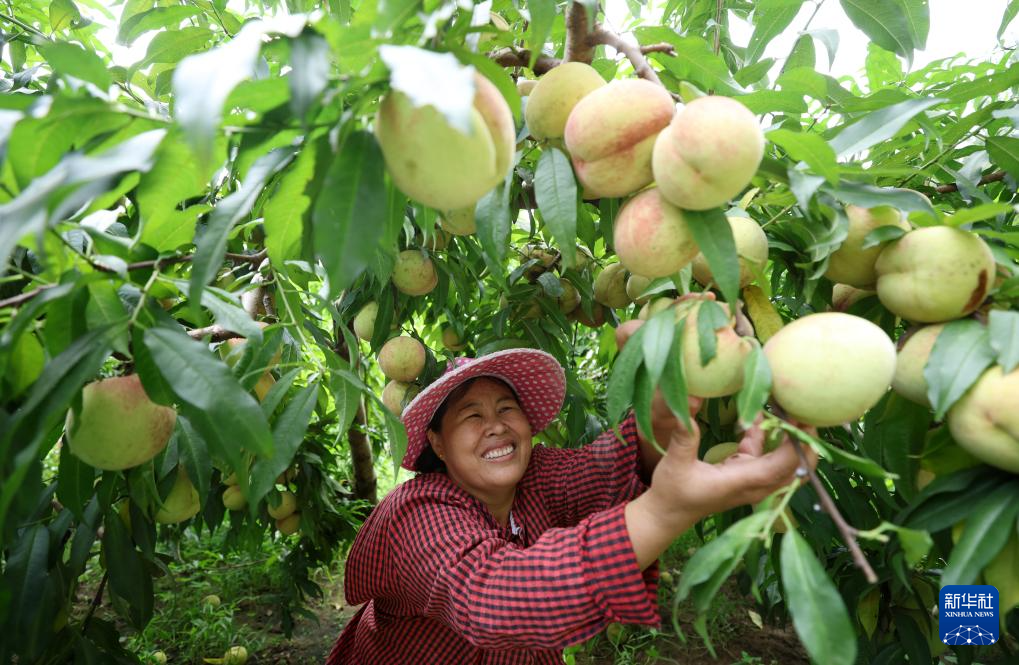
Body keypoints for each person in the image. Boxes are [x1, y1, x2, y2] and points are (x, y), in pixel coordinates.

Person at [326, 320, 816, 664]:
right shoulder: (418, 512)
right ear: (437, 443)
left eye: (506, 409)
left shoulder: (536, 476)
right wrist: (669, 508)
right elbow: (495, 597)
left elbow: (604, 467)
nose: (495, 426)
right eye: (472, 416)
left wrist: (663, 414)